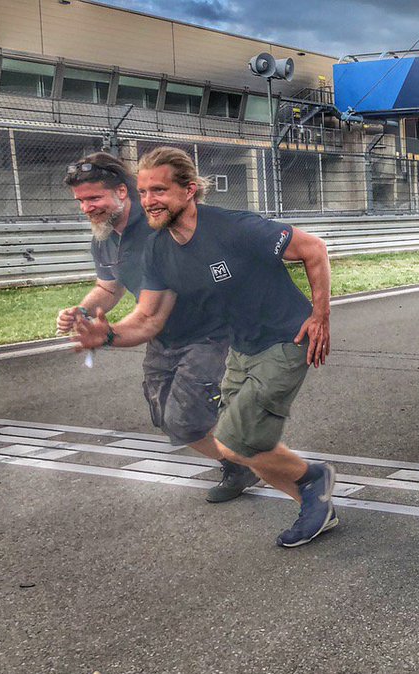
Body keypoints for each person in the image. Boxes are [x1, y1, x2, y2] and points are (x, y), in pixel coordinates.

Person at [73, 146, 339, 548]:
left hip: (288, 337)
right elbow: (149, 318)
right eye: (143, 192)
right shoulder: (160, 250)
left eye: (159, 190)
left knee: (236, 440)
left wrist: (320, 316)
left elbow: (313, 249)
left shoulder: (234, 228)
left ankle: (313, 478)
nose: (149, 201)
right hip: (244, 347)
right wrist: (106, 336)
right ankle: (314, 503)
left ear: (190, 191)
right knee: (241, 444)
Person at [58, 153, 248, 503]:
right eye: (81, 201)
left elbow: (149, 313)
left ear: (120, 191)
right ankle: (237, 456)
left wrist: (108, 333)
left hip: (208, 332)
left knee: (184, 418)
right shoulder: (103, 238)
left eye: (94, 198)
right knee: (166, 417)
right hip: (164, 338)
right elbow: (108, 288)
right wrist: (82, 312)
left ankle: (257, 460)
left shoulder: (156, 228)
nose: (86, 208)